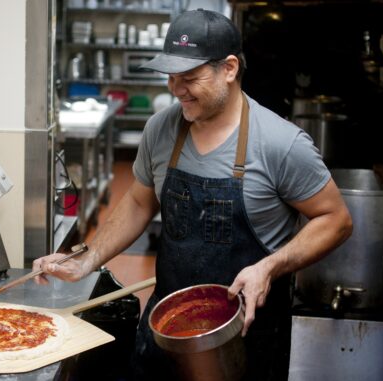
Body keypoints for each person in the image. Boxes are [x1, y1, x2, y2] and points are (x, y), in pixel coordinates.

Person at [34, 8, 352, 380]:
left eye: (190, 77)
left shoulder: (282, 143)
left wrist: (269, 267)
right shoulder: (160, 129)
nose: (176, 89)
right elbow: (139, 201)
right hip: (165, 330)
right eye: (171, 77)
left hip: (243, 341)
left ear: (229, 69)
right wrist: (85, 261)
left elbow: (336, 220)